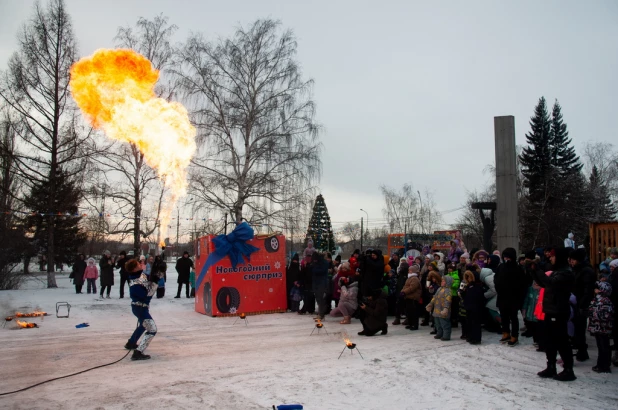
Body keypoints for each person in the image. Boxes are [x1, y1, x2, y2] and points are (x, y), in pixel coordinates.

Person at [532, 247, 577, 381]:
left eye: (552, 256)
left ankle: (568, 369)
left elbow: (550, 283)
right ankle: (551, 366)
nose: (550, 258)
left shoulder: (565, 273)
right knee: (549, 340)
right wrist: (534, 271)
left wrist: (538, 271)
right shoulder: (558, 271)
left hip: (558, 311)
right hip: (551, 309)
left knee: (561, 341)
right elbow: (543, 283)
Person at [124, 259, 158, 361]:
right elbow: (146, 295)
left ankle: (131, 343)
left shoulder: (140, 275)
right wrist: (154, 285)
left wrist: (156, 271)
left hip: (142, 308)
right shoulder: (134, 283)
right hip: (139, 308)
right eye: (138, 264)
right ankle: (138, 352)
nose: (140, 265)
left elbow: (148, 280)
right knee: (152, 329)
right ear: (134, 268)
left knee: (143, 325)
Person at [494, 248, 527, 346]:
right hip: (502, 296)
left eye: (508, 257)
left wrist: (519, 297)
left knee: (513, 317)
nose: (506, 259)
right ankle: (506, 332)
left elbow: (522, 284)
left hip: (513, 297)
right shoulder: (501, 267)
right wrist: (498, 287)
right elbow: (496, 278)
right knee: (504, 316)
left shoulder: (518, 269)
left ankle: (514, 336)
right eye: (505, 257)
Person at [569, 248, 596, 361]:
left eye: (573, 260)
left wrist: (581, 304)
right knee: (576, 328)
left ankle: (582, 351)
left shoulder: (586, 271)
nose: (571, 262)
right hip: (575, 302)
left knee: (580, 329)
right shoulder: (577, 269)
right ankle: (579, 348)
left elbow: (587, 290)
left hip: (580, 304)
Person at [588, 281, 614, 373]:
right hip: (597, 327)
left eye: (597, 288)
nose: (595, 290)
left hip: (602, 327)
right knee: (600, 346)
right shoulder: (598, 299)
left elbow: (606, 315)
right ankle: (600, 364)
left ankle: (604, 365)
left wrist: (595, 315)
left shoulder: (605, 300)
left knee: (604, 346)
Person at [426, 276, 454, 341]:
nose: (442, 282)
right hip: (437, 310)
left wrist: (446, 308)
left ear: (448, 282)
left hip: (443, 310)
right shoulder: (439, 289)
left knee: (445, 323)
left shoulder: (448, 290)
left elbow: (448, 300)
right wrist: (431, 304)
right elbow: (435, 297)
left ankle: (446, 335)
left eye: (443, 281)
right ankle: (439, 333)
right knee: (437, 323)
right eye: (442, 281)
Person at [462, 270, 486, 344]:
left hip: (476, 308)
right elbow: (466, 296)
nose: (468, 278)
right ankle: (470, 336)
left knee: (475, 323)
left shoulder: (478, 286)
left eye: (469, 277)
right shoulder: (468, 286)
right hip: (469, 307)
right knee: (469, 322)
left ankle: (476, 338)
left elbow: (479, 298)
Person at [401, 264, 421, 330]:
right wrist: (402, 291)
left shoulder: (415, 279)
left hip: (413, 297)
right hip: (408, 297)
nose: (408, 271)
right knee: (409, 312)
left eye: (410, 270)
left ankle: (415, 325)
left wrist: (404, 292)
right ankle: (410, 324)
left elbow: (412, 288)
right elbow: (405, 286)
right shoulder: (409, 278)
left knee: (414, 312)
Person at [311, 252, 329, 319]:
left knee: (321, 299)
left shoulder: (323, 262)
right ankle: (320, 313)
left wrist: (314, 269)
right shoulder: (316, 262)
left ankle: (321, 314)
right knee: (318, 298)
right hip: (316, 282)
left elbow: (322, 270)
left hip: (322, 282)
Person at [392, 258, 409, 325]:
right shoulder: (399, 274)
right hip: (399, 292)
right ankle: (397, 318)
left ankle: (407, 318)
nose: (401, 268)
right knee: (399, 306)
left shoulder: (407, 275)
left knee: (406, 306)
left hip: (405, 293)